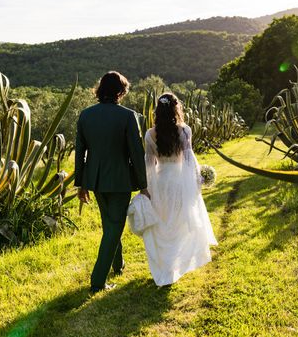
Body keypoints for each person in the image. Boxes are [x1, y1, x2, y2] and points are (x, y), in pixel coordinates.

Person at [75, 71, 149, 293]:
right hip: (119, 181)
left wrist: (81, 183)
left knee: (110, 223)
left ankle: (118, 264)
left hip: (95, 180)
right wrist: (143, 184)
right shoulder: (128, 116)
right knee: (114, 227)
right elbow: (136, 153)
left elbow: (80, 152)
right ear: (120, 92)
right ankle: (98, 281)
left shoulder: (85, 115)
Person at [142, 93, 217, 286]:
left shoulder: (150, 134)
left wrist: (146, 188)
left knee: (163, 224)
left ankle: (165, 268)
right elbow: (189, 159)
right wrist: (196, 179)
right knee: (178, 223)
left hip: (160, 183)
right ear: (176, 109)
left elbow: (149, 164)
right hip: (178, 182)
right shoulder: (184, 131)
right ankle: (173, 266)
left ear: (157, 111)